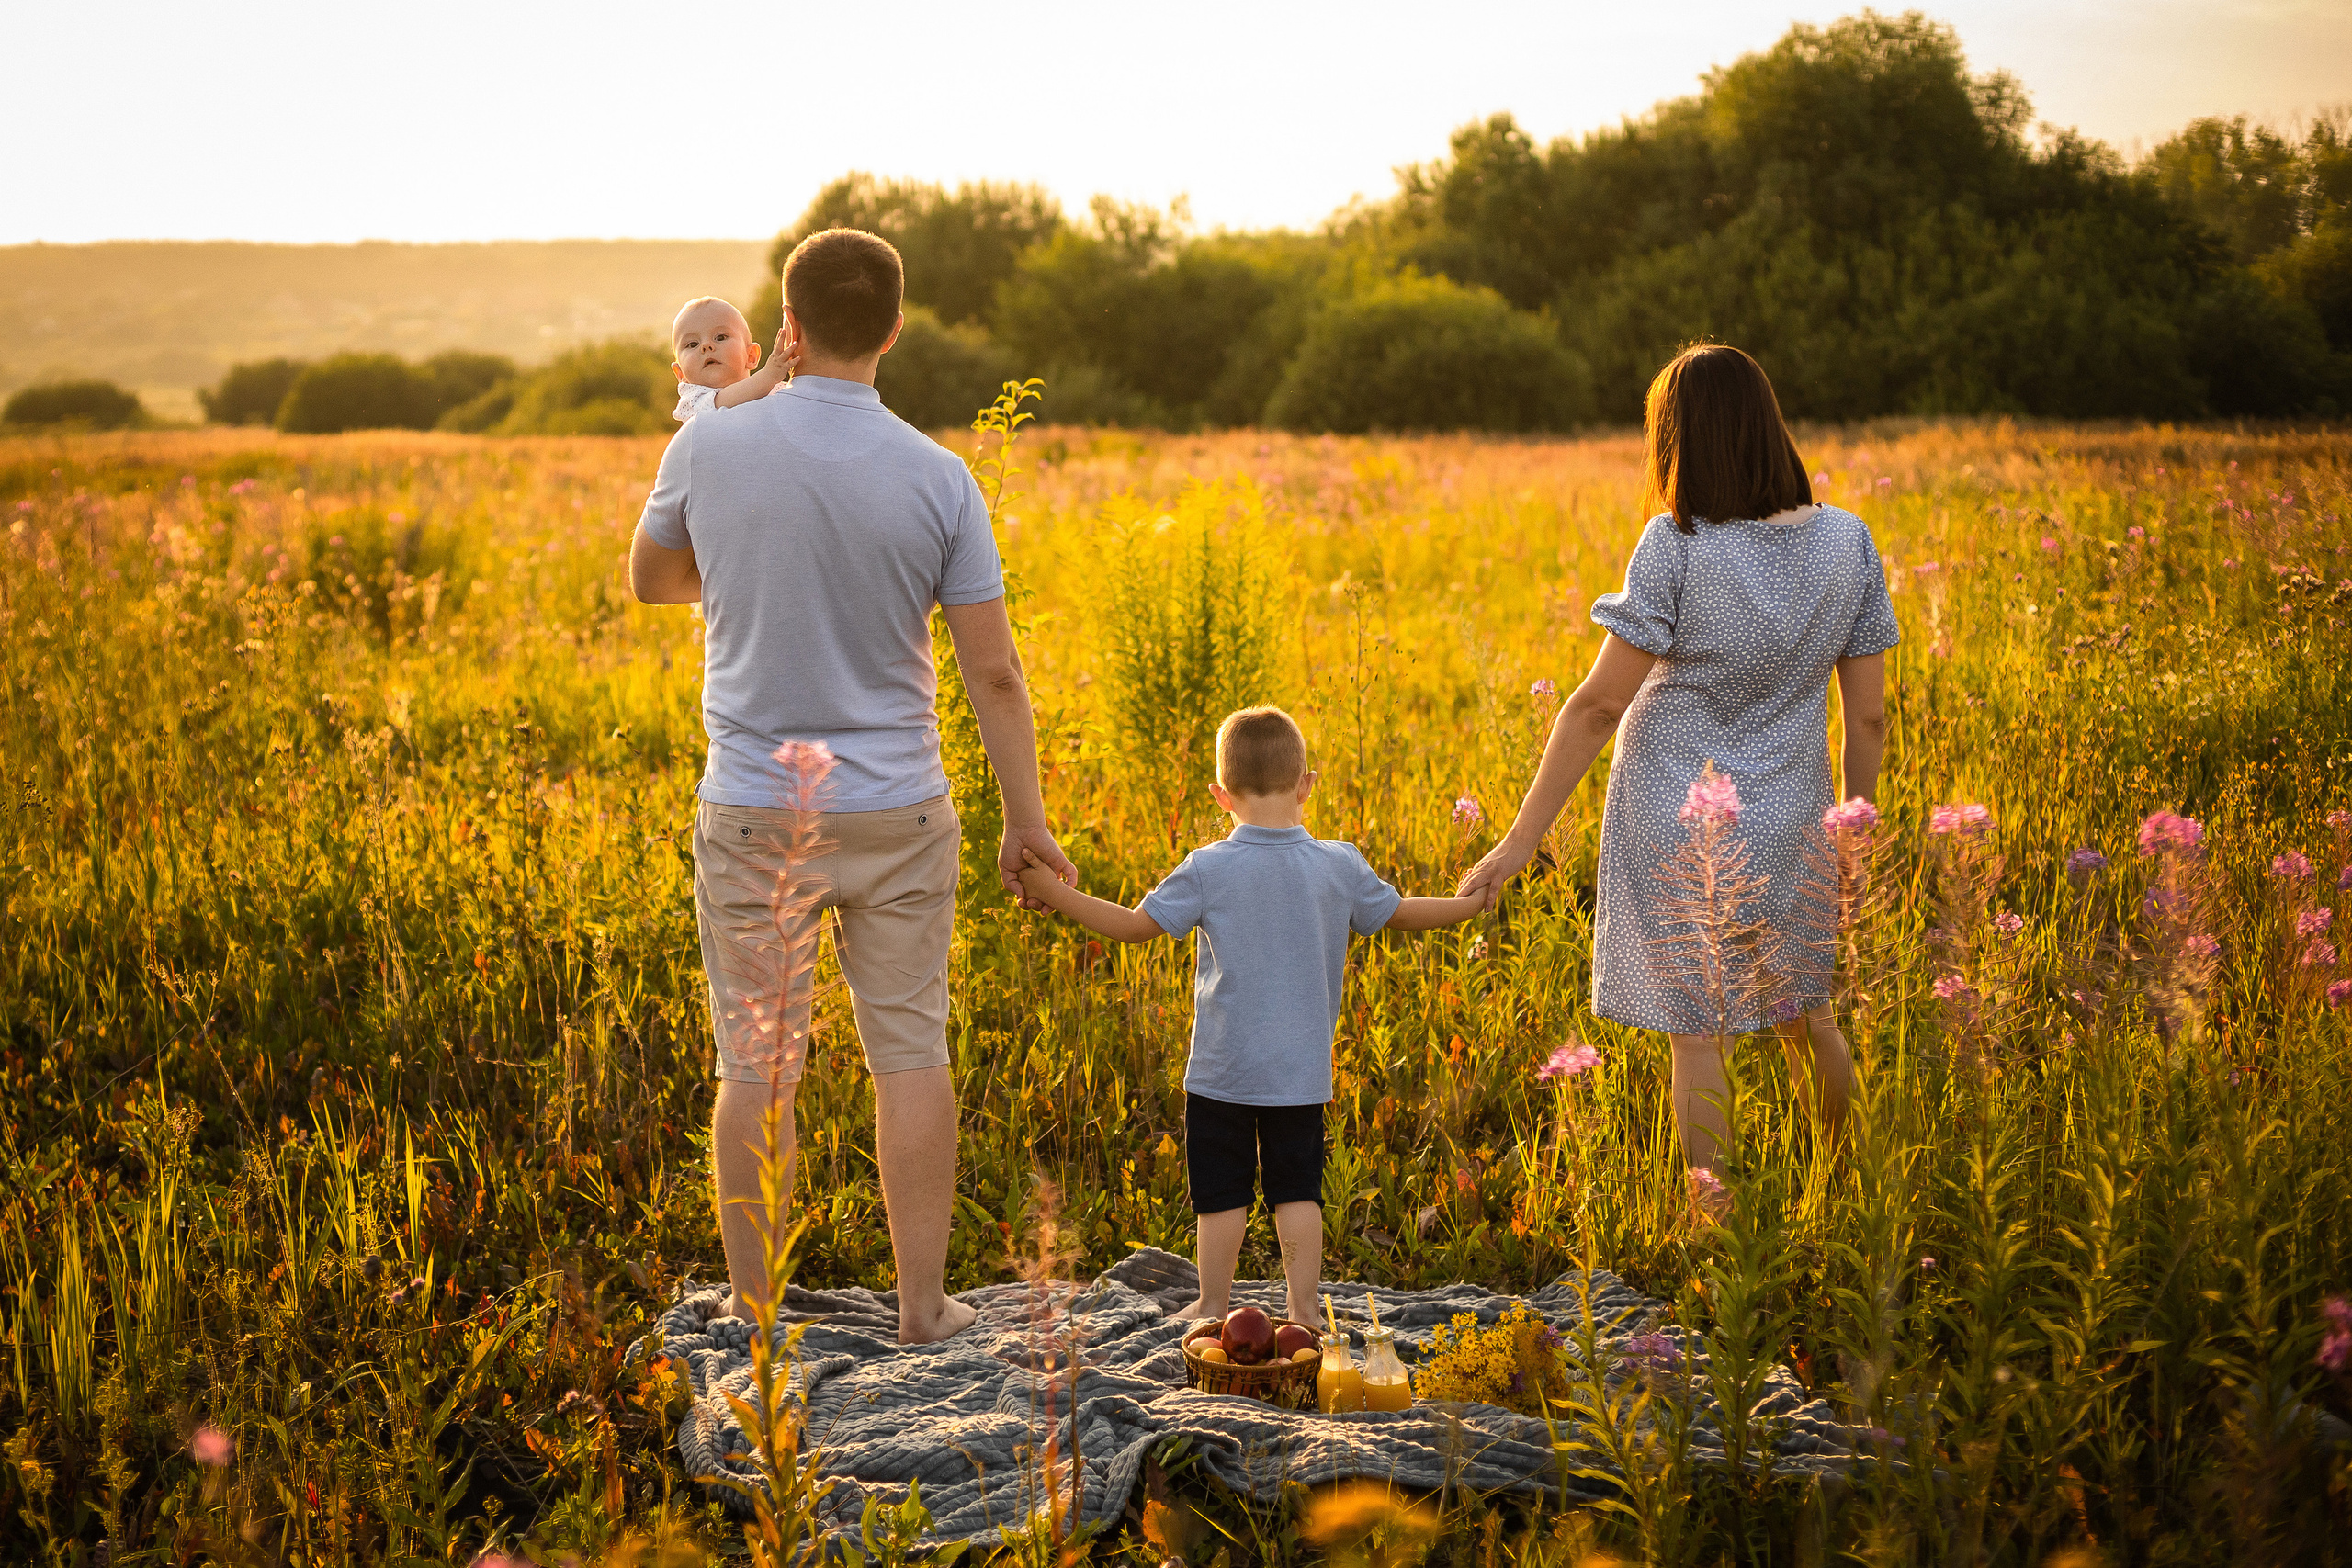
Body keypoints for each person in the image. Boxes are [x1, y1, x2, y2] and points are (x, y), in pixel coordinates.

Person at [629, 228, 1076, 1344]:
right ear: (893, 327)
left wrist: (744, 569)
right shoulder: (939, 476)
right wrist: (1029, 824)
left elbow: (652, 581)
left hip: (754, 813)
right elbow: (995, 673)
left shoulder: (708, 449)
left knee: (758, 1065)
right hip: (900, 814)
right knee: (910, 1055)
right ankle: (923, 1309)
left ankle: (759, 1317)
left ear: (785, 325)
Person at [1456, 344, 1897, 1201]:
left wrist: (1519, 841)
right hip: (1795, 817)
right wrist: (1856, 828)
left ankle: (1713, 1223)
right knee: (1810, 1016)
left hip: (1674, 812)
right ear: (1769, 429)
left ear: (1679, 442)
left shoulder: (1677, 545)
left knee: (1699, 1035)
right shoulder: (1850, 540)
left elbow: (1594, 707)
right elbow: (1869, 714)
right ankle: (1846, 1191)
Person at [1015, 706, 1481, 1325]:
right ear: (1307, 783)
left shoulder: (1208, 866)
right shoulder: (1339, 863)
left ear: (1220, 794)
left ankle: (1212, 1303)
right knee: (1297, 1191)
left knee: (1222, 1195)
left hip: (1222, 1070)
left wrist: (1053, 891)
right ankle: (1304, 1306)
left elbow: (1130, 927)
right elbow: (1401, 911)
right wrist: (1467, 905)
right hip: (1300, 1072)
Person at [665, 295, 796, 423]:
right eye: (692, 344)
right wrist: (770, 375)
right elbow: (722, 402)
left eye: (720, 337)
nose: (706, 346)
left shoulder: (775, 389)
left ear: (751, 356)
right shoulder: (693, 400)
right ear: (680, 373)